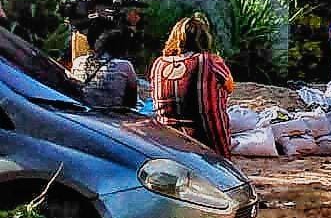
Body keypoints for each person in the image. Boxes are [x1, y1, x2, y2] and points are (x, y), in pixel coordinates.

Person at [150, 15, 235, 157]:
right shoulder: (211, 61)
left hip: (169, 143)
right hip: (208, 143)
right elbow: (230, 86)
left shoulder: (159, 64)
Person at [70, 29, 139, 109]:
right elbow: (132, 99)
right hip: (108, 115)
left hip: (78, 110)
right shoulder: (125, 65)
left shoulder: (78, 61)